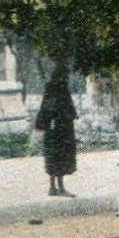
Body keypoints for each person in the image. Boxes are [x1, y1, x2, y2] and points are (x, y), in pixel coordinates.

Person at [34, 64, 78, 197]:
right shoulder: (60, 88)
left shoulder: (51, 88)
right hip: (60, 128)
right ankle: (59, 188)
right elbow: (59, 108)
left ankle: (53, 187)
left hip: (52, 128)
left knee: (53, 156)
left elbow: (46, 107)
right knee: (59, 156)